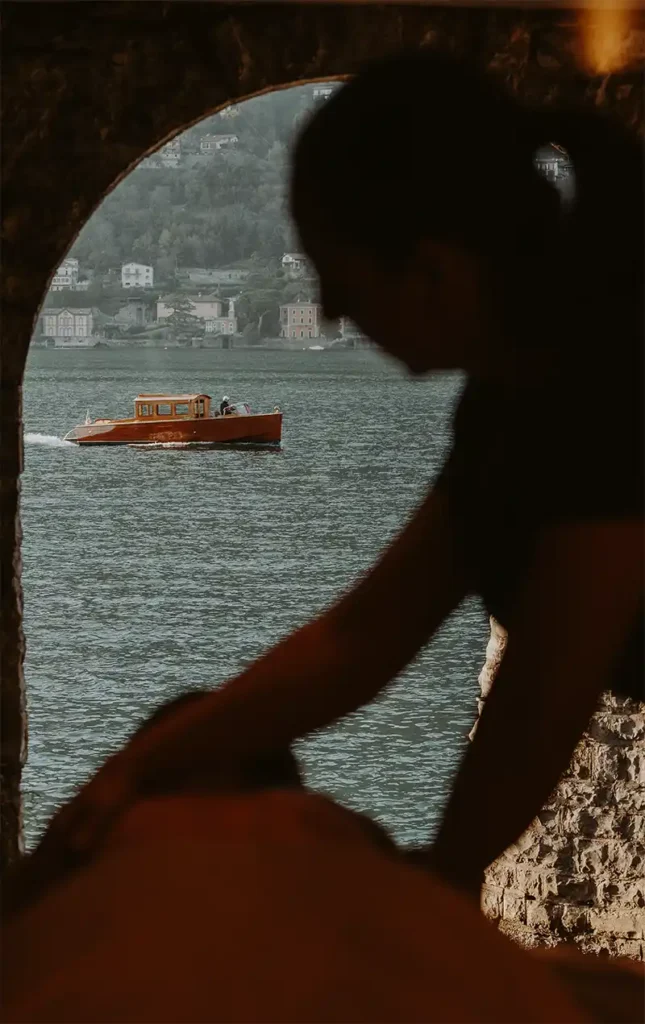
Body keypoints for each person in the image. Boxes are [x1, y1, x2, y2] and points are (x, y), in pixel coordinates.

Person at [36, 49, 643, 901]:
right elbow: (365, 636)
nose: (327, 313)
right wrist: (138, 765)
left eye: (338, 280)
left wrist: (434, 890)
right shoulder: (512, 398)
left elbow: (543, 685)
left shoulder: (605, 379)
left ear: (431, 271)